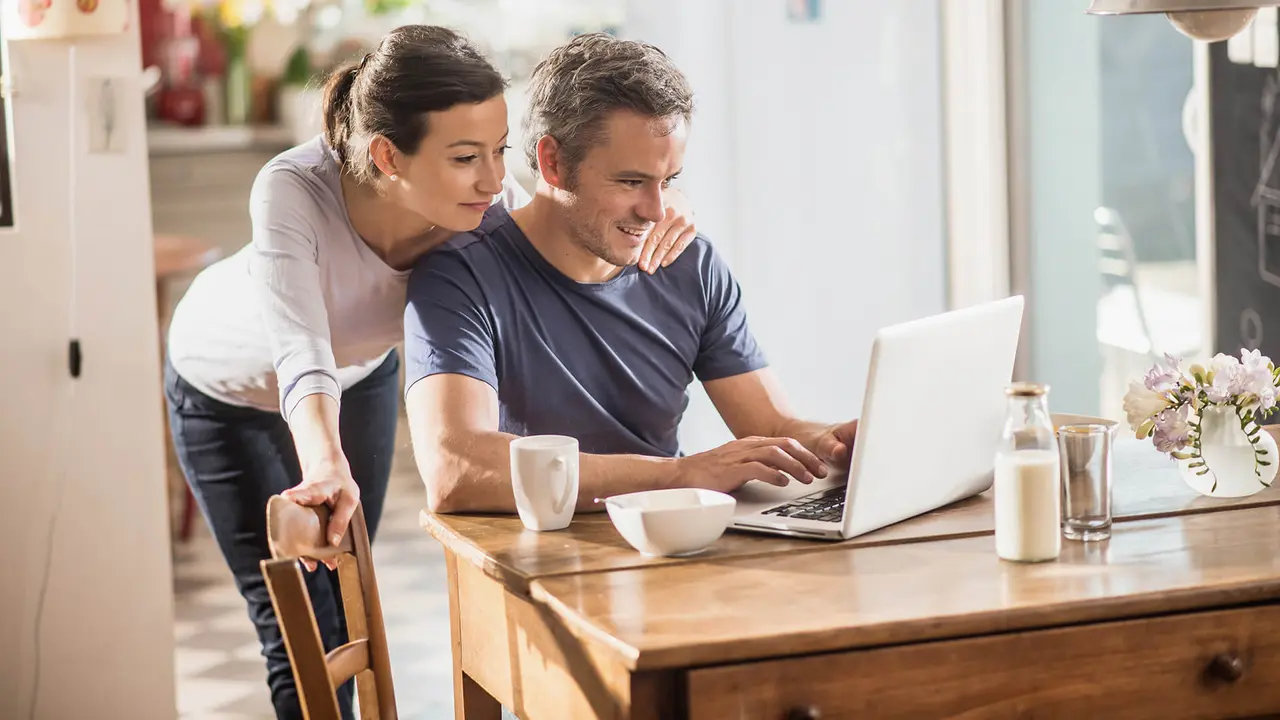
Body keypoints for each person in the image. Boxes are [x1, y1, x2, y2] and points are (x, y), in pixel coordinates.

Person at [162, 25, 701, 719]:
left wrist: (662, 203)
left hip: (357, 379)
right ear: (389, 155)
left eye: (499, 151)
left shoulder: (483, 206)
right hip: (223, 391)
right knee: (299, 634)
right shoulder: (293, 189)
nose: (493, 178)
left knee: (350, 608)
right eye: (465, 156)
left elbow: (560, 217)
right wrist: (324, 464)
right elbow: (302, 348)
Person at [402, 32, 858, 513]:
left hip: (674, 547)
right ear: (553, 163)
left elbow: (774, 427)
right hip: (534, 559)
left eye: (669, 181)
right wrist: (678, 476)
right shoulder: (460, 274)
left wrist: (831, 442)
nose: (656, 210)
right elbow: (455, 470)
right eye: (630, 181)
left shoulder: (691, 265)